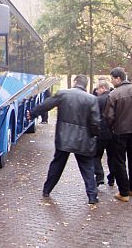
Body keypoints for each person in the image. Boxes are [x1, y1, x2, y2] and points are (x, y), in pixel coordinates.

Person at [27, 75, 100, 204]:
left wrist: (32, 114)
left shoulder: (63, 94)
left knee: (57, 165)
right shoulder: (92, 99)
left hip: (63, 137)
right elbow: (95, 122)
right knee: (87, 168)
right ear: (86, 84)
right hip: (83, 139)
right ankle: (92, 196)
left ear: (75, 82)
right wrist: (94, 135)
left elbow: (46, 105)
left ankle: (47, 190)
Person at [103, 67, 132, 202]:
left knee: (119, 160)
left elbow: (109, 116)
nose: (111, 82)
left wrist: (112, 128)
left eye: (112, 79)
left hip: (120, 130)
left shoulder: (114, 94)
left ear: (118, 78)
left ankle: (123, 192)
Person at [94, 80, 115, 187]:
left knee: (96, 155)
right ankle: (112, 178)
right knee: (112, 156)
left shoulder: (98, 100)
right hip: (113, 132)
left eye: (97, 89)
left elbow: (94, 116)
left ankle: (99, 175)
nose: (96, 91)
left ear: (102, 88)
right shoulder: (114, 97)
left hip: (101, 132)